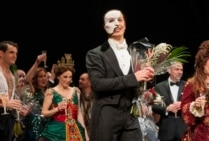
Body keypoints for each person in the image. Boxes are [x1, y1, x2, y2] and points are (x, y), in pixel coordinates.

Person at [85, 9, 155, 141]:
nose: (117, 24)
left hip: (130, 113)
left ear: (125, 23)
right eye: (111, 21)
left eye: (120, 20)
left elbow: (138, 83)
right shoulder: (95, 53)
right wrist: (134, 78)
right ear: (105, 27)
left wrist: (147, 76)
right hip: (107, 113)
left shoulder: (135, 53)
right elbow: (98, 84)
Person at [40, 54, 88, 141]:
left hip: (75, 130)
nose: (68, 80)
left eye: (70, 77)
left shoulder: (76, 91)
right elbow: (44, 113)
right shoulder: (51, 92)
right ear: (58, 77)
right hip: (55, 132)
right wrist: (57, 109)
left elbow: (79, 114)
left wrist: (86, 134)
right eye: (65, 77)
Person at [152, 61, 187, 141]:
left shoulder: (187, 85)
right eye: (177, 69)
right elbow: (153, 106)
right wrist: (167, 109)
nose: (180, 72)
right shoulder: (159, 86)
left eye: (181, 70)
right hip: (166, 127)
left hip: (183, 127)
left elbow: (193, 103)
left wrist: (183, 104)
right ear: (169, 70)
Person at [0, 40, 27, 141]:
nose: (15, 56)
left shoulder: (12, 75)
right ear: (1, 53)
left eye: (16, 53)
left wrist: (20, 107)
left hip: (8, 120)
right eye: (11, 52)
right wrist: (5, 104)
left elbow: (11, 98)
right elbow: (6, 102)